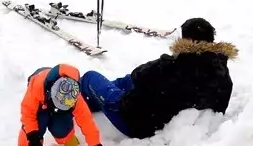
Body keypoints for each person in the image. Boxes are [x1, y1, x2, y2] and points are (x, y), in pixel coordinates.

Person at [80, 18, 236, 139]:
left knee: (90, 78)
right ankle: (99, 94)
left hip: (132, 119)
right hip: (159, 116)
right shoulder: (221, 73)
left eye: (184, 38)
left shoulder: (174, 66)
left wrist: (169, 61)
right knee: (126, 81)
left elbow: (138, 75)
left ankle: (75, 99)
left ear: (193, 41)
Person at [18, 64, 115, 146]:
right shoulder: (37, 86)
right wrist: (32, 140)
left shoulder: (75, 97)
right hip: (41, 104)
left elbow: (86, 121)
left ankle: (67, 138)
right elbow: (27, 114)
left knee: (61, 125)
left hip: (57, 104)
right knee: (38, 123)